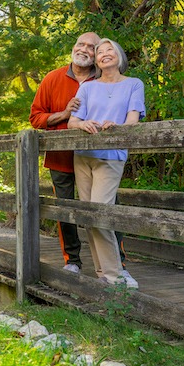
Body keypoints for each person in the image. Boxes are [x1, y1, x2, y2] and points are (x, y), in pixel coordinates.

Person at [68, 38, 145, 287]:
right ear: (97, 61)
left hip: (111, 156)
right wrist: (82, 124)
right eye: (99, 52)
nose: (104, 54)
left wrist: (118, 127)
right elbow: (72, 122)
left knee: (101, 212)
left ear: (119, 55)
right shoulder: (88, 87)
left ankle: (116, 275)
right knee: (90, 217)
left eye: (109, 49)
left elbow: (133, 119)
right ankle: (103, 273)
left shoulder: (134, 84)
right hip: (83, 156)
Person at [29, 32, 99, 273]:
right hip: (61, 159)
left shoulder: (104, 80)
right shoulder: (52, 78)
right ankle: (73, 261)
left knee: (103, 209)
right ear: (74, 47)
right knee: (65, 211)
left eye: (91, 47)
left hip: (97, 159)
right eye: (81, 44)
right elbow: (35, 118)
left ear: (97, 54)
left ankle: (114, 263)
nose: (85, 49)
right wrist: (65, 114)